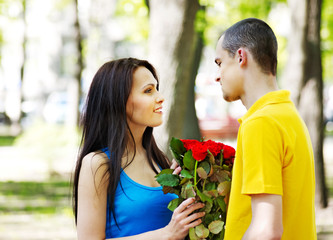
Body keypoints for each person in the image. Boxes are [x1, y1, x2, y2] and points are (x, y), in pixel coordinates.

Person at [72, 58, 205, 239]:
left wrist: (188, 192)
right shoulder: (98, 164)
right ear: (118, 100)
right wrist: (167, 234)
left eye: (156, 88)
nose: (160, 97)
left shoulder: (160, 161)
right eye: (148, 91)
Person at [214, 18, 316, 239]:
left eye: (220, 62)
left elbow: (266, 230)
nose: (217, 74)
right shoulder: (288, 115)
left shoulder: (260, 123)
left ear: (241, 57)